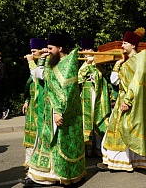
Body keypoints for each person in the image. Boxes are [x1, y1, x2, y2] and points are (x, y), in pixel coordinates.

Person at [20, 32, 86, 186]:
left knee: (61, 146)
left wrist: (58, 111)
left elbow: (65, 91)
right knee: (51, 145)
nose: (47, 50)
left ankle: (64, 176)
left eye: (50, 48)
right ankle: (45, 176)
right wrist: (42, 57)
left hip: (61, 113)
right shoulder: (55, 62)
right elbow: (38, 74)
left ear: (60, 47)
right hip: (49, 113)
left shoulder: (68, 64)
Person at [98, 27, 146, 172]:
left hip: (128, 101)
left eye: (125, 43)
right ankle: (117, 161)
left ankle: (123, 162)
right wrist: (119, 63)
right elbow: (115, 81)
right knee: (116, 130)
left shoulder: (139, 60)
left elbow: (137, 82)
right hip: (122, 100)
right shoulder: (127, 62)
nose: (122, 46)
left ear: (133, 45)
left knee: (124, 130)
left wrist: (127, 100)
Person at [78, 37, 111, 157]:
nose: (86, 51)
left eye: (89, 49)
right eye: (84, 49)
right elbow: (79, 78)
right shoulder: (83, 64)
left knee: (99, 120)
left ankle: (99, 148)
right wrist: (87, 64)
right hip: (86, 95)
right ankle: (87, 149)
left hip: (98, 95)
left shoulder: (99, 63)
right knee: (86, 122)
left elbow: (102, 76)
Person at [22, 38, 47, 168]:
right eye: (30, 51)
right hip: (32, 105)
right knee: (30, 134)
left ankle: (38, 161)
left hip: (42, 106)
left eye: (34, 51)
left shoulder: (46, 63)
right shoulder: (36, 63)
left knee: (40, 133)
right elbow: (30, 85)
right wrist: (26, 100)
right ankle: (29, 160)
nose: (31, 54)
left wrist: (31, 62)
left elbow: (36, 77)